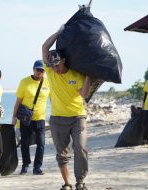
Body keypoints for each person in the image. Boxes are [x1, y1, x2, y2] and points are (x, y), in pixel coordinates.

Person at [42, 25, 90, 190]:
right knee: (62, 154)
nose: (54, 68)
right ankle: (68, 184)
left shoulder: (76, 75)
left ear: (63, 61)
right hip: (57, 119)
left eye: (57, 65)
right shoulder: (50, 71)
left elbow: (84, 94)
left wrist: (89, 76)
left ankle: (80, 181)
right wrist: (59, 32)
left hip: (77, 117)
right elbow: (45, 47)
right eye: (52, 65)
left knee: (81, 148)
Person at [12, 60, 50, 175]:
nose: (40, 72)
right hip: (25, 119)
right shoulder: (24, 82)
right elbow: (18, 101)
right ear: (33, 69)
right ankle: (25, 165)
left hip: (40, 118)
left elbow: (54, 98)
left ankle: (37, 167)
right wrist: (14, 117)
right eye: (38, 70)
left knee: (41, 143)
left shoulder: (48, 83)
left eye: (42, 70)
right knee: (25, 143)